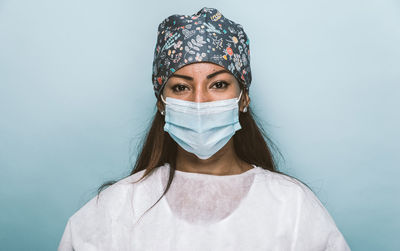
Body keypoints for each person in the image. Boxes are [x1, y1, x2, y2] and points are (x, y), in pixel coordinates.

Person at [58, 7, 351, 251]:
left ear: (243, 98)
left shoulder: (292, 207)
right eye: (181, 87)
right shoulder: (115, 210)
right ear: (162, 102)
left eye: (219, 84)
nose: (199, 102)